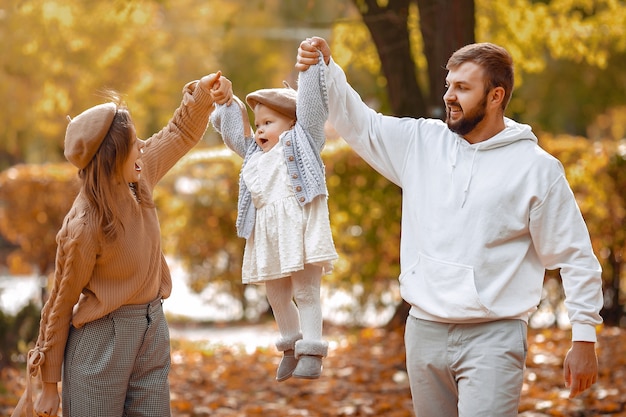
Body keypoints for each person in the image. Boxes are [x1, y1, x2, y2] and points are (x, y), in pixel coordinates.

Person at [296, 37, 604, 416]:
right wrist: (326, 68)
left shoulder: (536, 168)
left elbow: (575, 255)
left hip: (494, 335)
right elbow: (360, 125)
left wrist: (584, 338)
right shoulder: (422, 142)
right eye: (448, 85)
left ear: (495, 96)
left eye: (462, 87)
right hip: (424, 330)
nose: (449, 96)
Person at [11, 72, 233, 417]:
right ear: (113, 157)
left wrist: (203, 93)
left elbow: (178, 133)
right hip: (101, 345)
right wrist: (49, 385)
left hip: (151, 331)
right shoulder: (85, 227)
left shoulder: (139, 176)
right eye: (134, 143)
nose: (142, 145)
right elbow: (60, 301)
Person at [209, 52, 338, 382]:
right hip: (267, 234)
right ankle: (290, 346)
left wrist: (309, 70)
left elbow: (311, 109)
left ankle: (312, 350)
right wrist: (226, 102)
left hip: (300, 229)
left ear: (291, 123)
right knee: (276, 295)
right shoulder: (255, 153)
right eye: (258, 124)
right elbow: (235, 136)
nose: (260, 130)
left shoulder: (301, 142)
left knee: (306, 291)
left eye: (269, 123)